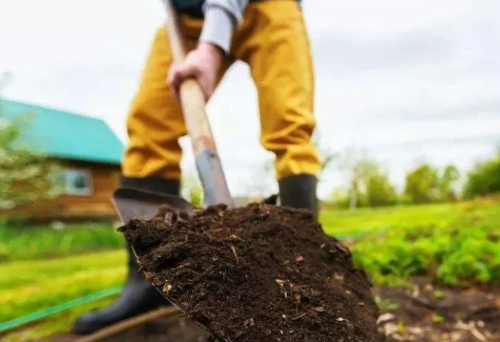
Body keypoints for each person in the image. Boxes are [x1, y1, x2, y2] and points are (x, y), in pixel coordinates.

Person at [73, 0, 321, 334]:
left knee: (289, 125)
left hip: (269, 7)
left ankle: (303, 274)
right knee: (149, 129)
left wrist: (211, 46)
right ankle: (150, 281)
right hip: (187, 18)